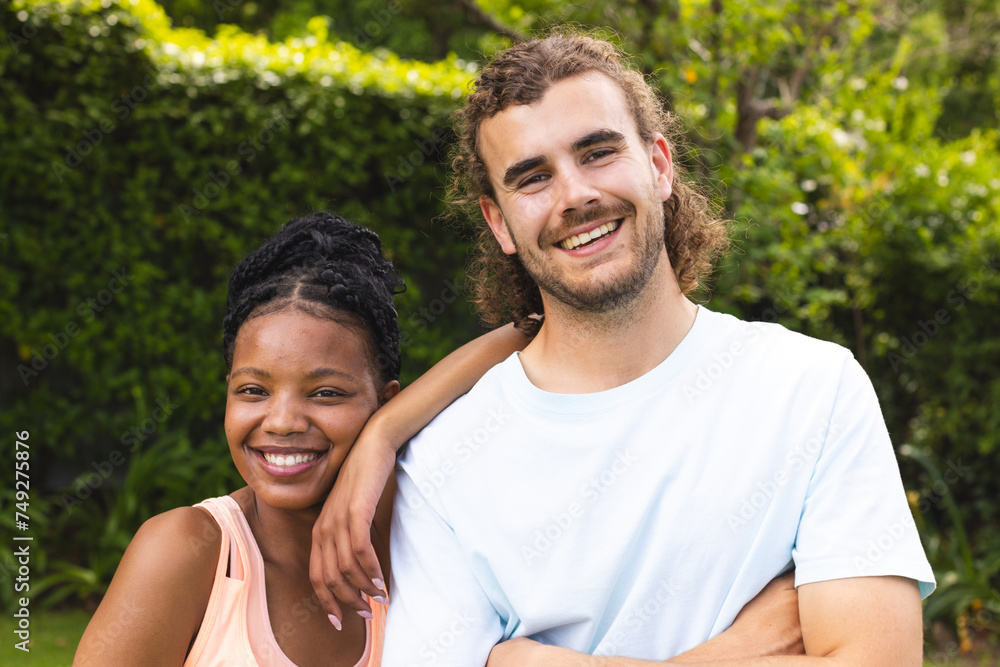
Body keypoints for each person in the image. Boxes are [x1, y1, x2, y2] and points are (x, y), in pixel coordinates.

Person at [311, 34, 936, 665]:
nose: (575, 195)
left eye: (598, 152)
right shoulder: (442, 464)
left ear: (660, 166)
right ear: (499, 222)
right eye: (533, 178)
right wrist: (741, 649)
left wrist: (527, 660)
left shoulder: (814, 388)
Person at [74, 212, 528, 666]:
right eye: (253, 390)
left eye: (326, 393)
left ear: (384, 401)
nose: (283, 421)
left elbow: (540, 328)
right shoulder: (189, 552)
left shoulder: (415, 545)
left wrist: (385, 434)